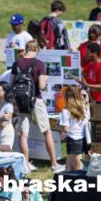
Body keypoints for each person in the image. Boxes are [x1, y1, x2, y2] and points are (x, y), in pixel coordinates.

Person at [11, 40, 61, 172]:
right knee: (46, 131)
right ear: (37, 49)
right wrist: (46, 79)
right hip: (36, 100)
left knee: (23, 134)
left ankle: (25, 164)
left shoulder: (17, 62)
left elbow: (11, 82)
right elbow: (41, 86)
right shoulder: (39, 64)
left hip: (21, 100)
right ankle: (54, 164)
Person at [58, 85, 91, 171]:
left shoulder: (66, 111)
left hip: (73, 140)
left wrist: (59, 127)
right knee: (69, 163)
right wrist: (86, 96)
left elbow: (65, 129)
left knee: (77, 167)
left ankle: (80, 182)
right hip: (83, 139)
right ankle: (66, 180)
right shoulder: (85, 107)